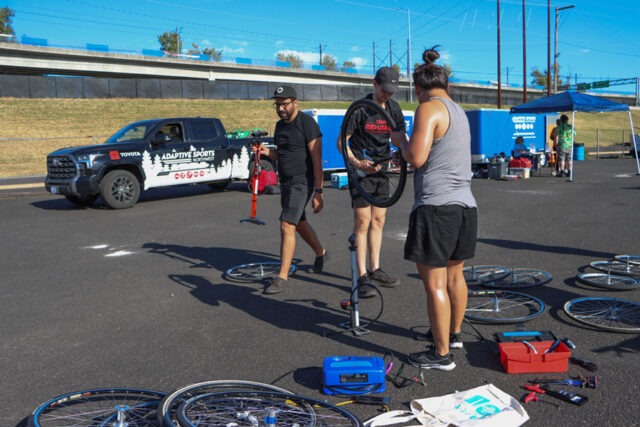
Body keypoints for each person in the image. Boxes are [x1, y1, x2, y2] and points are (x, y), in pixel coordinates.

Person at [391, 47, 477, 371]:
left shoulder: (427, 109)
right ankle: (453, 334)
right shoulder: (458, 110)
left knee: (435, 284)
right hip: (466, 207)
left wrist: (400, 140)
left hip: (436, 208)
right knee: (455, 277)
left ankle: (441, 355)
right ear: (447, 85)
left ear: (417, 88)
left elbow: (416, 157)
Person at [339, 67, 407, 298]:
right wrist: (358, 163)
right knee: (363, 221)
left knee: (379, 220)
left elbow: (401, 140)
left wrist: (403, 155)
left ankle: (375, 268)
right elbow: (341, 143)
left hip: (382, 170)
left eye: (391, 91)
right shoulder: (360, 109)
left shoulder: (394, 109)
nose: (387, 95)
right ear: (374, 84)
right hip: (360, 171)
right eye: (384, 90)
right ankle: (361, 276)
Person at [257, 85, 329, 294]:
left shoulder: (307, 125)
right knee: (299, 224)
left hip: (303, 181)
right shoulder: (279, 126)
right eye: (277, 104)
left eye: (284, 104)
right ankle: (321, 252)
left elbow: (317, 161)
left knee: (286, 225)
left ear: (295, 103)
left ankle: (282, 276)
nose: (280, 108)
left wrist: (318, 191)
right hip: (286, 182)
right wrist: (267, 152)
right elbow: (283, 154)